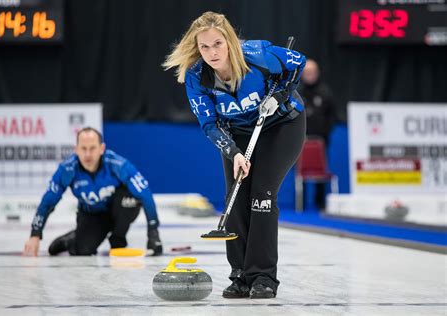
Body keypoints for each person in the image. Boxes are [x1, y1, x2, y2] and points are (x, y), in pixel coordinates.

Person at [163, 11, 306, 299]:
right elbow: (209, 125)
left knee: (262, 196)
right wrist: (234, 152)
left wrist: (281, 94)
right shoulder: (196, 77)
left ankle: (263, 276)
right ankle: (241, 275)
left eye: (217, 44)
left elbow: (298, 62)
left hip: (281, 125)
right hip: (238, 133)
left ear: (229, 41)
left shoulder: (257, 55)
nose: (212, 53)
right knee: (236, 196)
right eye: (204, 47)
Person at [23, 127, 162, 257]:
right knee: (83, 250)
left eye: (92, 148)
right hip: (92, 214)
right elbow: (48, 201)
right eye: (83, 149)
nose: (88, 154)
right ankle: (71, 239)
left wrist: (153, 233)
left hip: (118, 209)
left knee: (130, 199)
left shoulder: (118, 165)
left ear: (102, 148)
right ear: (76, 149)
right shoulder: (67, 169)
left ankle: (118, 240)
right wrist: (35, 234)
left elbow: (145, 194)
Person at [298, 59, 336, 210]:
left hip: (321, 139)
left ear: (317, 73)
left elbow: (332, 115)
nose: (310, 75)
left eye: (312, 72)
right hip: (300, 140)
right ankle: (300, 203)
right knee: (300, 172)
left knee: (320, 171)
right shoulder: (297, 92)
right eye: (307, 72)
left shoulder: (325, 92)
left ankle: (320, 203)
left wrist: (325, 133)